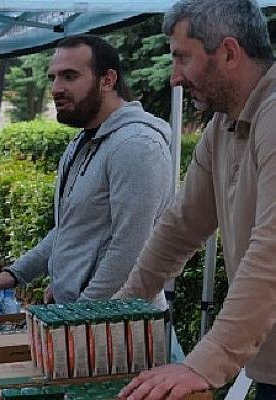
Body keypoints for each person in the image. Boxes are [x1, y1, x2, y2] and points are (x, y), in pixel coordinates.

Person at [116, 1, 276, 399]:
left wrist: (206, 361)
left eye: (182, 58)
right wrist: (122, 308)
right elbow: (180, 226)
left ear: (229, 52)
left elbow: (272, 250)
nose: (174, 78)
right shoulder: (224, 125)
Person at [0, 35, 174, 306]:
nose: (57, 88)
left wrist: (79, 312)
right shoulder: (82, 142)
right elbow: (70, 229)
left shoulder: (137, 146)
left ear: (108, 80)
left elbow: (130, 251)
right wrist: (17, 274)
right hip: (83, 319)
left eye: (70, 76)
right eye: (54, 78)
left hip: (117, 326)